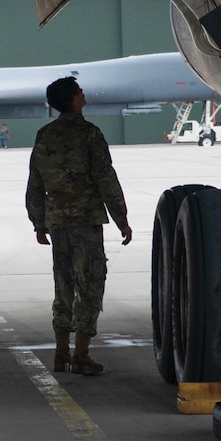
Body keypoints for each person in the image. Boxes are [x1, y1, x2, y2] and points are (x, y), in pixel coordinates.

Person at [25, 77, 133, 376]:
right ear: (73, 99)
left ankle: (61, 353)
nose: (84, 95)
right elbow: (105, 178)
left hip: (57, 221)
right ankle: (81, 354)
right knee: (90, 284)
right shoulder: (89, 133)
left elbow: (35, 182)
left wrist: (38, 223)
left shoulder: (45, 135)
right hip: (85, 221)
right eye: (80, 92)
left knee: (63, 284)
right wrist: (121, 219)